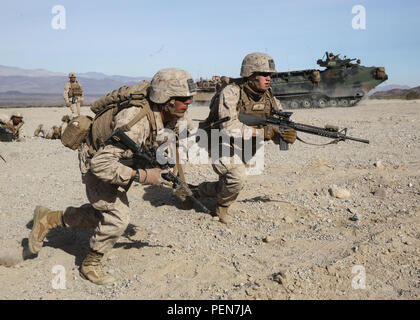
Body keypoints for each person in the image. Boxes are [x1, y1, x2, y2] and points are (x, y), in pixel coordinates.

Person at [28, 68, 196, 285]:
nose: (189, 102)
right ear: (167, 100)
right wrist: (145, 176)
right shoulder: (135, 122)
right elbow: (101, 165)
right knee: (118, 216)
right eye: (184, 99)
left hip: (120, 160)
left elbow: (169, 137)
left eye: (190, 98)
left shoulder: (170, 112)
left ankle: (48, 219)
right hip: (96, 160)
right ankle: (91, 263)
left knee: (102, 213)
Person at [194, 52, 297, 224]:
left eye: (270, 74)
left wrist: (285, 134)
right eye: (264, 74)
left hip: (245, 145)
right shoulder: (232, 92)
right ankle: (222, 206)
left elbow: (279, 121)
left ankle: (198, 191)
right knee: (237, 176)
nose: (268, 78)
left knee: (230, 181)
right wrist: (264, 133)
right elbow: (228, 128)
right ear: (251, 74)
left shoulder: (269, 97)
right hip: (218, 139)